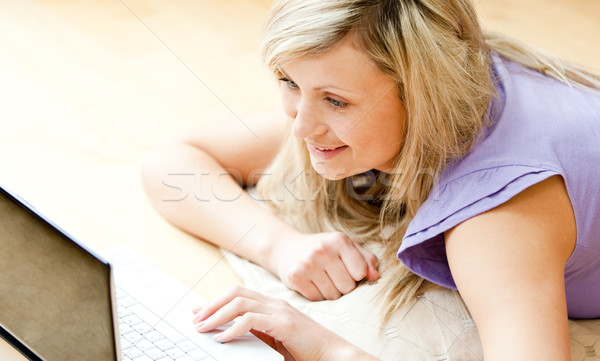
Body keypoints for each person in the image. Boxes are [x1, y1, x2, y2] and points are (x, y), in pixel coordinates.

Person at [141, 0, 600, 360]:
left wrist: (327, 348)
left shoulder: (493, 219)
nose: (301, 127)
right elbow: (172, 164)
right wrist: (279, 246)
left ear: (420, 93)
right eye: (288, 81)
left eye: (336, 101)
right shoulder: (451, 75)